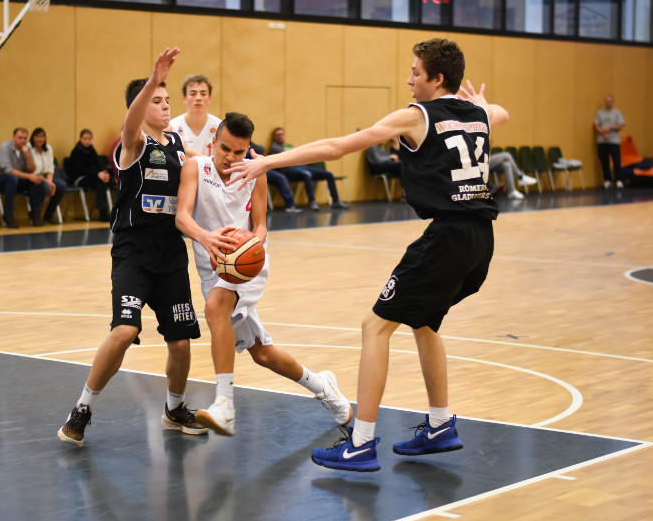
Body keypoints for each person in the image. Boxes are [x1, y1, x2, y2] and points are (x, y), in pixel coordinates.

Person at [229, 38, 509, 471]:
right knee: (423, 321)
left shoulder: (417, 116)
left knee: (374, 327)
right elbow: (500, 114)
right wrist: (482, 103)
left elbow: (339, 147)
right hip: (481, 240)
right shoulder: (479, 115)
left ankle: (360, 443)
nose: (409, 79)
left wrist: (267, 163)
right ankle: (439, 426)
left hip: (448, 237)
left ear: (437, 80)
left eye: (416, 72)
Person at [57, 47, 205, 446]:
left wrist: (245, 160)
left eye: (166, 99)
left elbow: (205, 164)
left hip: (171, 252)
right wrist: (153, 78)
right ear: (140, 107)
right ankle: (82, 408)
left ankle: (174, 408)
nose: (164, 104)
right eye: (157, 99)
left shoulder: (176, 142)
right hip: (133, 250)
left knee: (180, 340)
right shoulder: (133, 143)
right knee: (124, 331)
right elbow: (130, 123)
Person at [175, 112, 351, 436]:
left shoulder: (257, 173)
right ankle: (324, 387)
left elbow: (260, 225)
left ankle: (224, 404)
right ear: (213, 141)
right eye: (225, 148)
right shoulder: (195, 168)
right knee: (263, 354)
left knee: (215, 307)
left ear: (247, 150)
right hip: (211, 268)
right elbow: (182, 217)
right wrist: (206, 237)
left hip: (247, 265)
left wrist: (250, 245)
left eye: (239, 152)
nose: (230, 157)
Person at [268, 128, 349, 211]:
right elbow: (294, 155)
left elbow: (298, 155)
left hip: (301, 166)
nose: (280, 136)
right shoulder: (274, 148)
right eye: (278, 135)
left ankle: (336, 201)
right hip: (289, 169)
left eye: (281, 134)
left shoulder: (288, 146)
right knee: (307, 174)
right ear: (274, 137)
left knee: (329, 174)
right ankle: (312, 201)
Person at [0, 128, 40, 228]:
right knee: (12, 178)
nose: (23, 140)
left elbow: (32, 169)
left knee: (35, 181)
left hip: (15, 180)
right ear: (13, 138)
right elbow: (8, 171)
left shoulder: (27, 148)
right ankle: (8, 215)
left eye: (25, 138)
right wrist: (29, 176)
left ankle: (35, 213)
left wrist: (28, 155)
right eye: (20, 138)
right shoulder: (4, 147)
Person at [169, 74, 222, 156]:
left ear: (209, 98)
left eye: (203, 94)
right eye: (193, 94)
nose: (198, 98)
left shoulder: (220, 127)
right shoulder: (172, 127)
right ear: (184, 98)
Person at [67, 129, 113, 222]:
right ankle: (103, 212)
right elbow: (81, 170)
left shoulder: (91, 149)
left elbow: (97, 163)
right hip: (79, 178)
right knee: (100, 182)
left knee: (105, 181)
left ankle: (105, 209)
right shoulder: (75, 151)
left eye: (89, 139)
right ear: (80, 139)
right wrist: (97, 175)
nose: (87, 141)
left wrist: (104, 173)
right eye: (85, 139)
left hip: (91, 176)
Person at [28, 127, 68, 225]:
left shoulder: (48, 148)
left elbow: (50, 168)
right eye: (37, 136)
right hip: (33, 177)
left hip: (46, 177)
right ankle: (35, 213)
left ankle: (49, 213)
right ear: (33, 138)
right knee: (44, 186)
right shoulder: (29, 148)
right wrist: (47, 183)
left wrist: (50, 182)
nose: (40, 139)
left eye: (42, 136)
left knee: (62, 185)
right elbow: (31, 170)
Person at [248, 141, 301, 212]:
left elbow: (261, 149)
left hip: (260, 168)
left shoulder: (249, 141)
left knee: (281, 178)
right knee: (255, 181)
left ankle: (290, 205)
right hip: (246, 170)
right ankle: (257, 207)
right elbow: (248, 153)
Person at [593, 94, 624, 189]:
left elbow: (621, 125)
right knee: (604, 161)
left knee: (616, 161)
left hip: (614, 141)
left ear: (613, 102)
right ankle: (607, 180)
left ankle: (618, 180)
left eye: (610, 101)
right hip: (602, 141)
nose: (608, 103)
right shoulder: (600, 113)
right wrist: (602, 132)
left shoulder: (617, 113)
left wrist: (610, 127)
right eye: (607, 101)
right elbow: (596, 125)